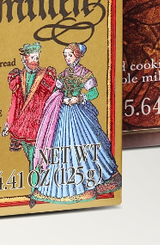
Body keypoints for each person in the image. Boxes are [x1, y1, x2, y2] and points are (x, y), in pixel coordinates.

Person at [33, 42, 122, 203]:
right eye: (65, 55)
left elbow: (94, 92)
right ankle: (59, 187)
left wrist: (79, 98)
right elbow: (57, 91)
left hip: (78, 112)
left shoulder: (84, 73)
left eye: (70, 55)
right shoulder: (64, 74)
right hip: (63, 113)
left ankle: (90, 183)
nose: (67, 58)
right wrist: (60, 98)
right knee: (60, 145)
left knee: (85, 142)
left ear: (78, 56)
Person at [5, 43, 60, 205]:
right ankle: (38, 191)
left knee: (37, 160)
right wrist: (9, 123)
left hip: (40, 125)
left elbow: (54, 96)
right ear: (24, 59)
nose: (36, 60)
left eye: (37, 57)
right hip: (22, 126)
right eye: (32, 57)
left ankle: (35, 193)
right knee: (32, 159)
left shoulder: (46, 76)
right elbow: (15, 103)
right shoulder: (17, 77)